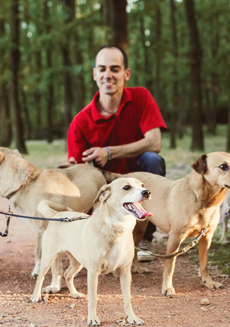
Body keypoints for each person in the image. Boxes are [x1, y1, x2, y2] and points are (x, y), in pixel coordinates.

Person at [66, 46, 167, 258]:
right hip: (106, 189)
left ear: (126, 74)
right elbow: (77, 174)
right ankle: (98, 238)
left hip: (139, 179)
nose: (108, 75)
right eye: (102, 69)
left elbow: (154, 142)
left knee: (153, 159)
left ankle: (143, 239)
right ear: (95, 74)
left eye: (115, 69)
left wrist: (109, 153)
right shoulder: (80, 123)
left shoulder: (141, 97)